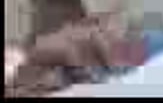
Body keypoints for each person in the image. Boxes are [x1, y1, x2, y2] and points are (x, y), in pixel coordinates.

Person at [3, 18, 147, 97]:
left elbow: (69, 52)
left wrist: (84, 74)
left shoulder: (39, 49)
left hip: (97, 66)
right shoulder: (32, 64)